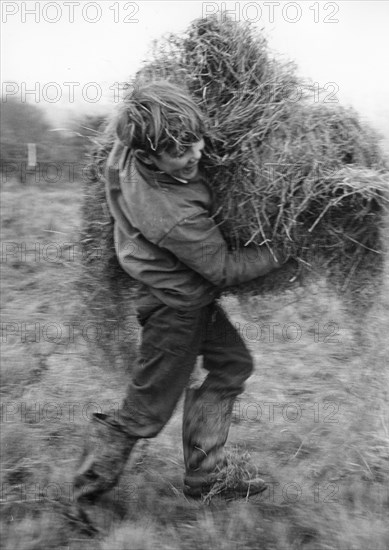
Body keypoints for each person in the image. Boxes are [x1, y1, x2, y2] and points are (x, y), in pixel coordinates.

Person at [72, 81, 286, 509]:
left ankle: (206, 475)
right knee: (146, 411)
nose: (196, 155)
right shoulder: (171, 215)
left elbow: (153, 101)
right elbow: (223, 269)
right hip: (175, 308)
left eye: (196, 141)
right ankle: (84, 493)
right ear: (149, 156)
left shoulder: (130, 145)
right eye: (180, 152)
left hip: (181, 293)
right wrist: (284, 250)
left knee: (233, 364)